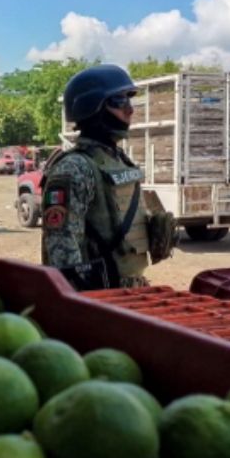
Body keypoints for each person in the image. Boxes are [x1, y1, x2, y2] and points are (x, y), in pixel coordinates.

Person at [41, 64, 153, 290]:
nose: (129, 110)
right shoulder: (74, 168)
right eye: (119, 101)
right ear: (92, 107)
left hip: (130, 291)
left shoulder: (119, 160)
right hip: (99, 298)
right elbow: (61, 251)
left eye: (129, 100)